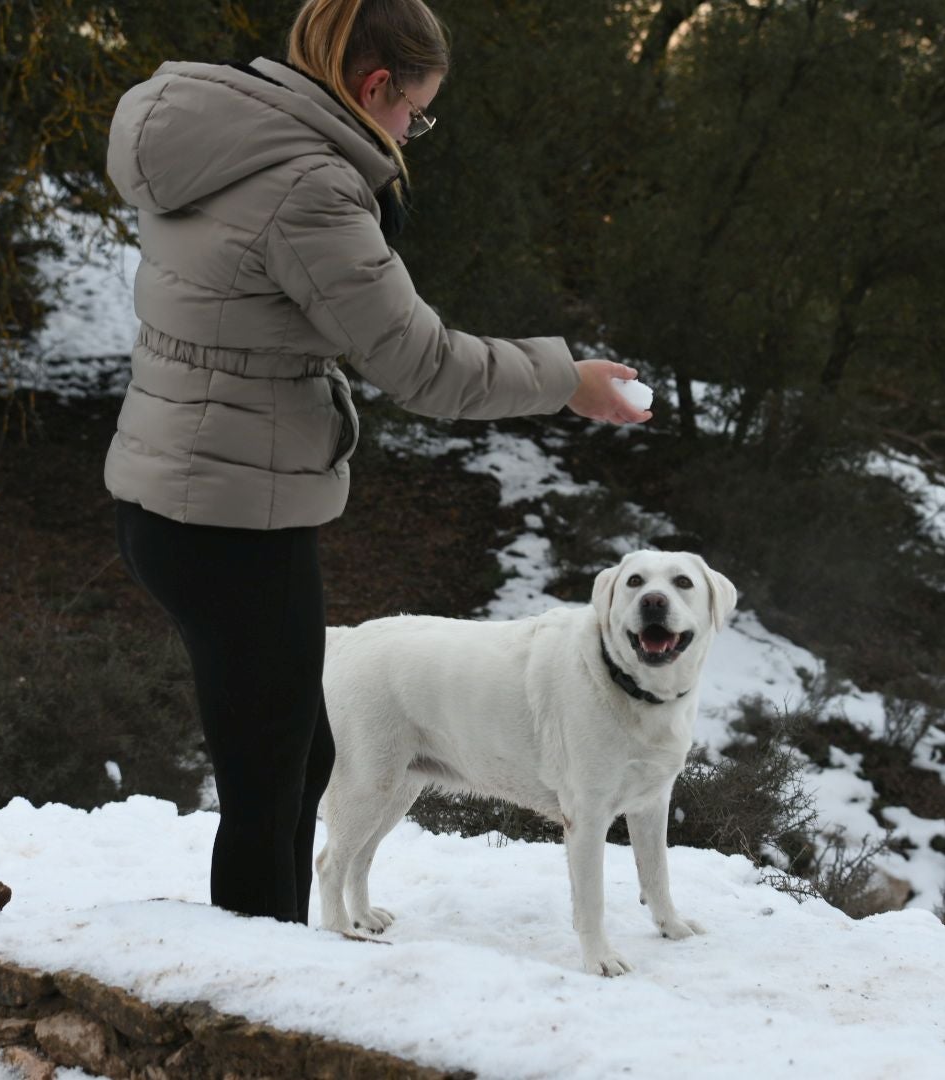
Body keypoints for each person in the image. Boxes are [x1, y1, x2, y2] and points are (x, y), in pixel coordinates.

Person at [102, 0, 649, 927]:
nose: (411, 134)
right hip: (228, 514)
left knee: (292, 760)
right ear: (372, 88)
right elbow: (422, 364)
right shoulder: (306, 186)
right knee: (272, 781)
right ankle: (253, 988)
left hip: (184, 492)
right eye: (414, 113)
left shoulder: (223, 137)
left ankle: (256, 968)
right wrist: (567, 379)